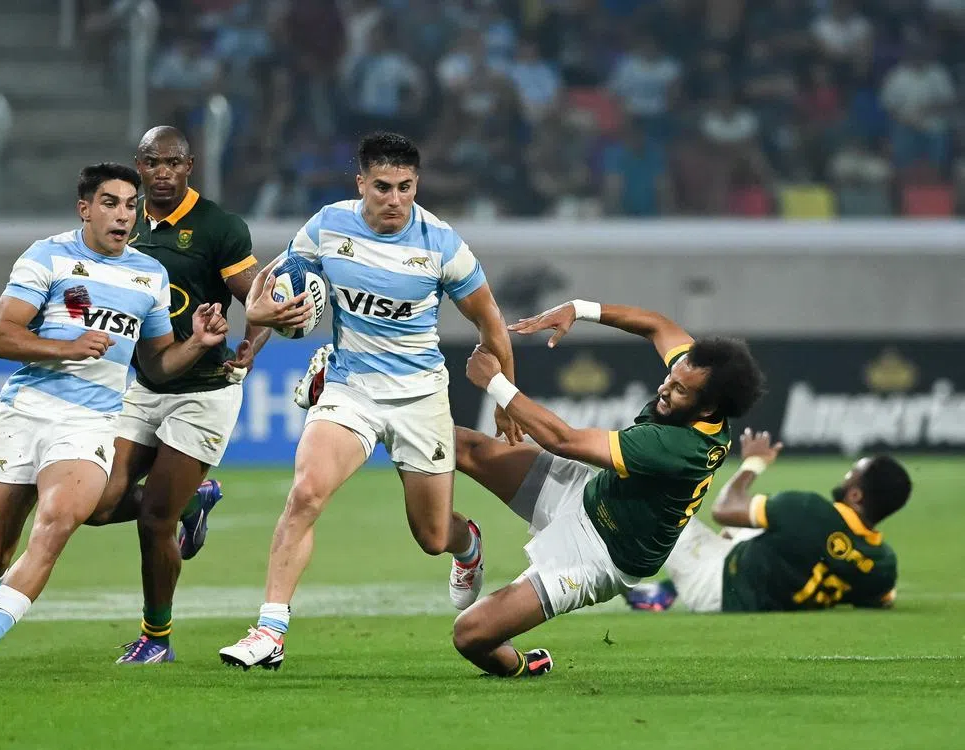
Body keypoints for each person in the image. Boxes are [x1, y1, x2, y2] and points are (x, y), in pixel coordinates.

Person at [218, 131, 522, 670]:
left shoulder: (441, 243)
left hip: (420, 398)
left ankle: (466, 543)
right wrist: (253, 338)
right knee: (307, 494)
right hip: (350, 388)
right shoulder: (327, 225)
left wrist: (506, 398)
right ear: (361, 183)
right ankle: (269, 632)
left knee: (431, 536)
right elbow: (273, 290)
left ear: (416, 185)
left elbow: (488, 321)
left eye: (405, 187)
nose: (394, 199)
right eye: (382, 186)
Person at [0, 163, 230, 678]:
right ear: (85, 209)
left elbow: (158, 363)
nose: (123, 214)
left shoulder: (149, 275)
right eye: (110, 203)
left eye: (130, 205)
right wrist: (66, 348)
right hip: (25, 414)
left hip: (92, 423)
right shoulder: (47, 256)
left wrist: (197, 344)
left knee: (56, 524)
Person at [451, 297, 765, 677]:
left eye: (680, 390)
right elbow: (656, 324)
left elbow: (564, 440)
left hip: (600, 555)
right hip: (590, 492)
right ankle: (462, 544)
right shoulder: (697, 378)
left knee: (470, 635)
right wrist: (579, 308)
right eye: (672, 377)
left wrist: (495, 383)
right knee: (456, 445)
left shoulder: (681, 449)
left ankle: (523, 665)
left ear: (708, 410)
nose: (665, 389)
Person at [78, 126, 270, 665]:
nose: (163, 172)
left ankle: (156, 638)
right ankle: (195, 500)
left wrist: (250, 345)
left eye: (174, 162)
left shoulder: (218, 227)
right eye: (152, 162)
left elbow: (258, 297)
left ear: (190, 166)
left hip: (204, 391)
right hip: (143, 385)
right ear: (139, 166)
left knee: (152, 521)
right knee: (95, 505)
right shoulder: (124, 225)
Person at [625, 431, 910, 614]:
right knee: (760, 523)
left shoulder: (810, 510)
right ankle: (667, 588)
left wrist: (753, 464)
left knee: (649, 498)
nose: (845, 476)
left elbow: (723, 509)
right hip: (762, 585)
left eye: (852, 474)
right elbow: (882, 598)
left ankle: (601, 575)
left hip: (715, 586)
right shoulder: (883, 563)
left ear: (856, 495)